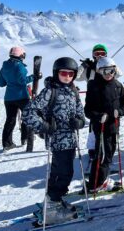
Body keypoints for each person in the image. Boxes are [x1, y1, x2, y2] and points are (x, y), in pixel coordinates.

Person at [22, 57, 85, 224]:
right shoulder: (50, 91)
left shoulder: (73, 91)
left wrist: (79, 122)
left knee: (63, 172)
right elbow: (28, 113)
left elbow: (81, 114)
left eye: (71, 74)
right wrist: (44, 126)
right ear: (56, 73)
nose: (67, 76)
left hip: (71, 140)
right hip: (58, 140)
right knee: (62, 173)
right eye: (63, 73)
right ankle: (51, 207)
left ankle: (54, 202)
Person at [84, 57, 124, 192]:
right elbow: (87, 110)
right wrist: (98, 116)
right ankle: (96, 183)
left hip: (114, 126)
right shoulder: (94, 86)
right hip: (101, 127)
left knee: (109, 154)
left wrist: (120, 111)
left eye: (111, 71)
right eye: (105, 71)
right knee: (102, 156)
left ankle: (100, 180)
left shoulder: (117, 85)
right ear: (99, 71)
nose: (108, 74)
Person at [0, 46, 40, 152]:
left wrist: (10, 81)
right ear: (21, 55)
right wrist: (34, 77)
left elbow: (1, 83)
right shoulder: (19, 66)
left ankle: (7, 143)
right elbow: (22, 81)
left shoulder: (4, 66)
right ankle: (25, 138)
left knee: (10, 120)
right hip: (22, 96)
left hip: (9, 98)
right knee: (26, 117)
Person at [75, 44, 109, 163]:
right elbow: (76, 77)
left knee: (106, 126)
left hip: (106, 99)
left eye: (102, 54)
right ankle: (92, 149)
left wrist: (108, 62)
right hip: (92, 101)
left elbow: (119, 73)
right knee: (93, 127)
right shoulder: (89, 69)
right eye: (96, 54)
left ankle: (105, 148)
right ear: (93, 55)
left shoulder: (108, 66)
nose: (99, 56)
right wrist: (83, 66)